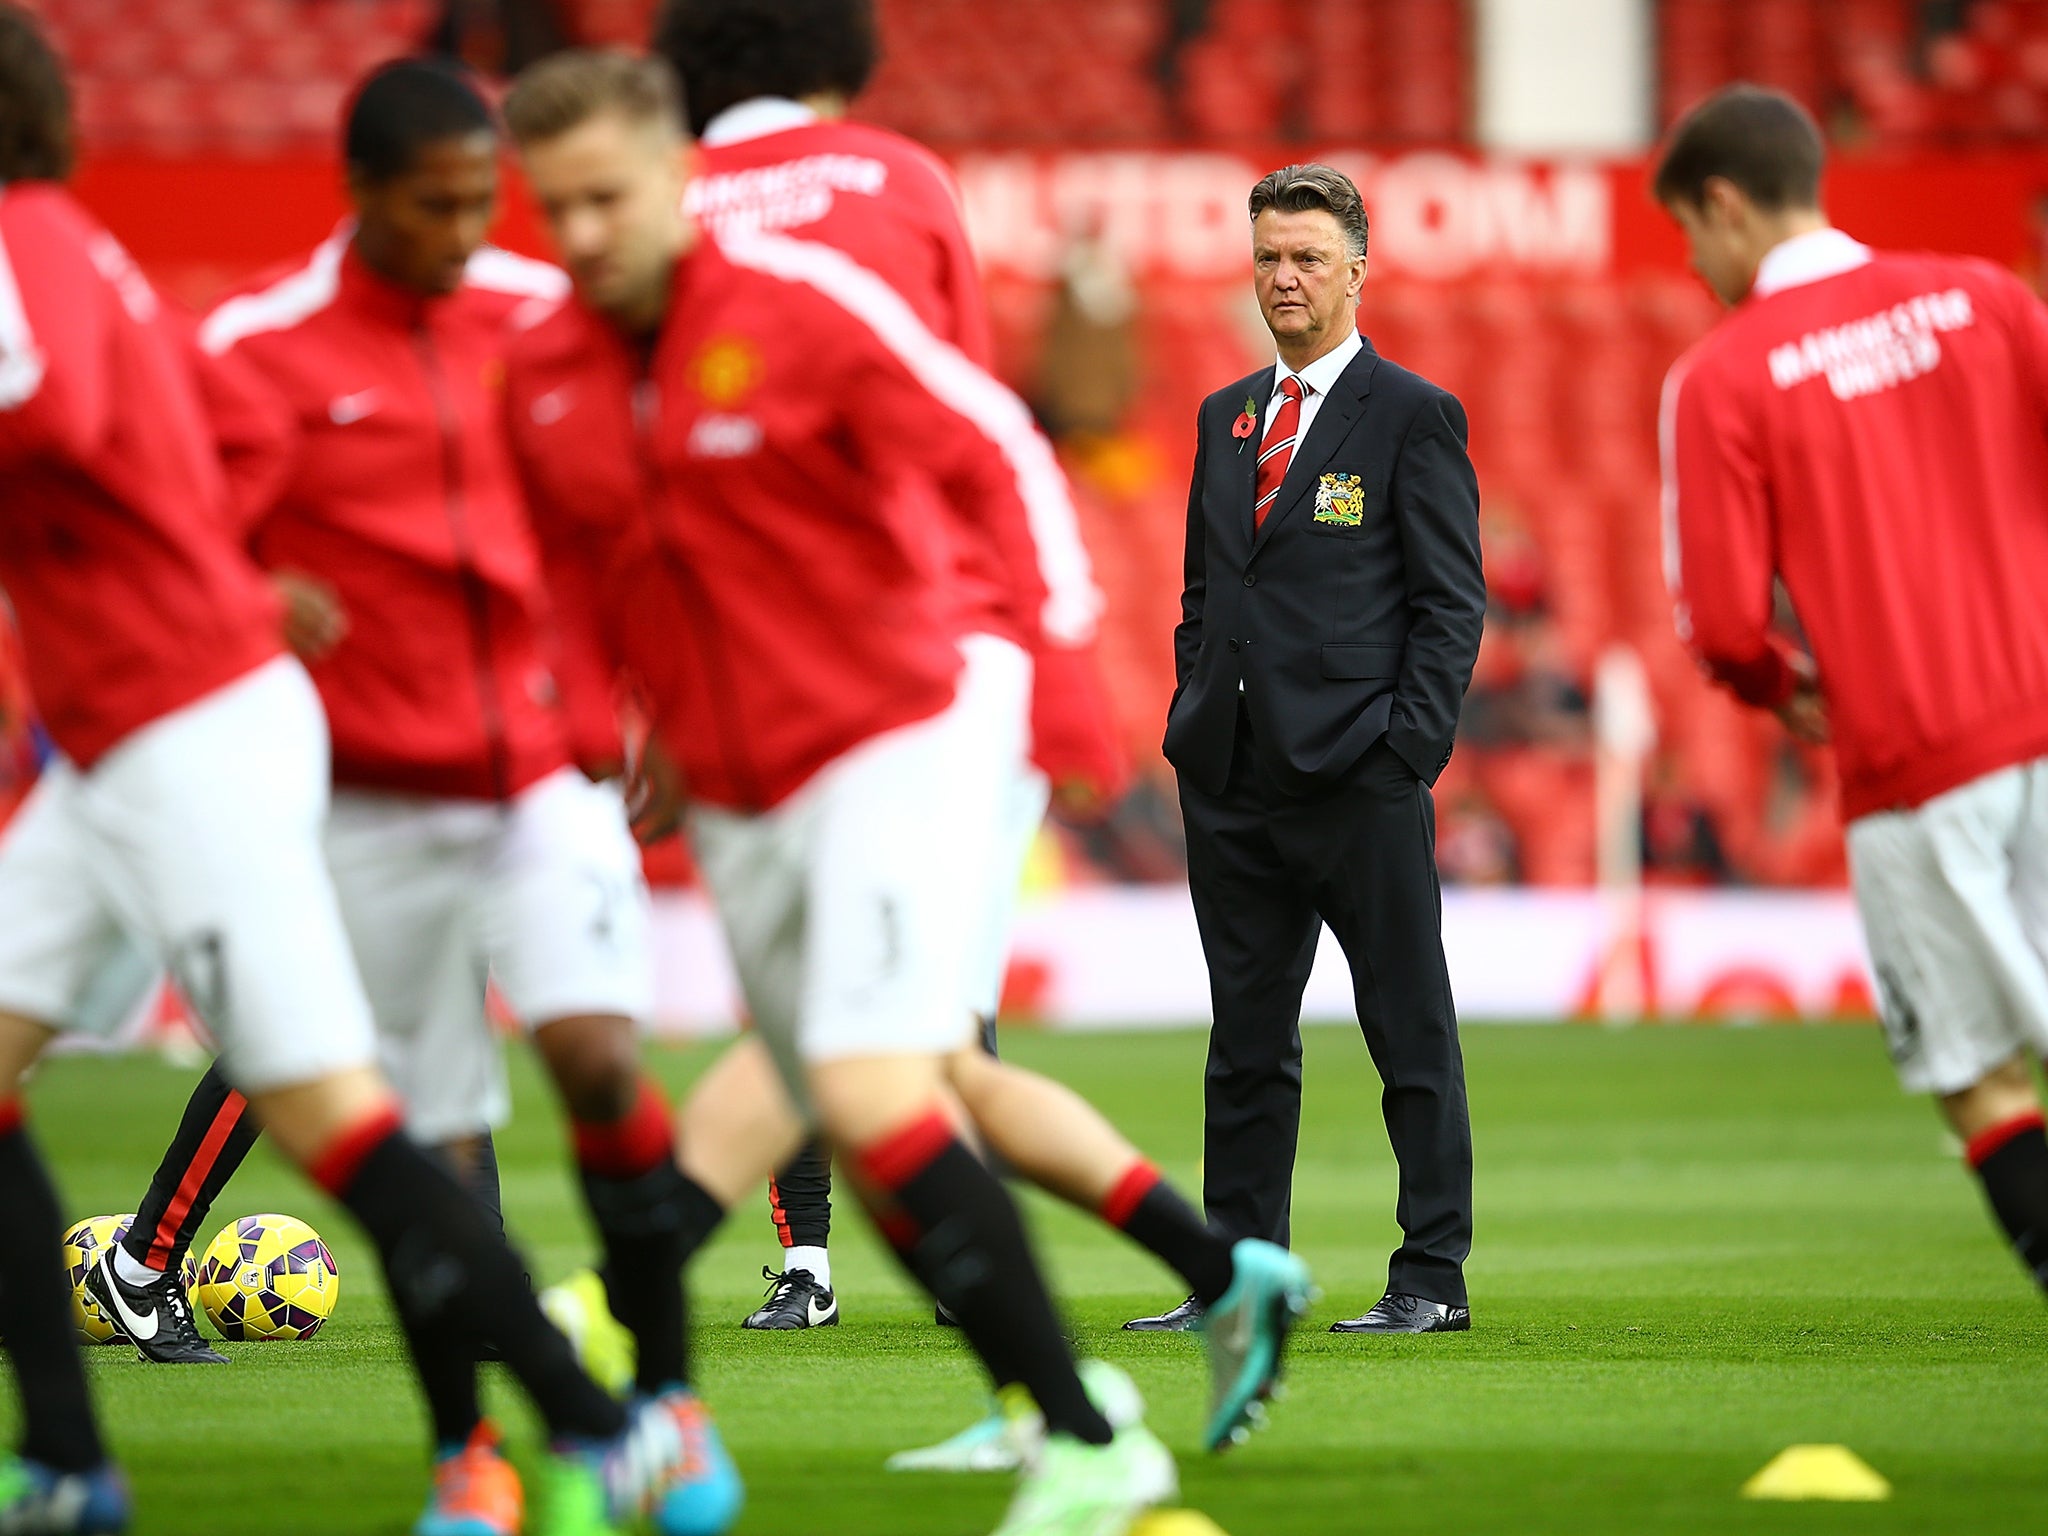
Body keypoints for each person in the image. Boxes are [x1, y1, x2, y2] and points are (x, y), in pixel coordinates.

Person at [499, 48, 1306, 1533]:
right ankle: (1187, 1293)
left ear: (680, 176)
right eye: (559, 210)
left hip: (895, 733)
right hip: (738, 785)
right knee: (875, 1089)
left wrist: (1061, 675)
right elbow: (571, 576)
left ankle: (1079, 1442)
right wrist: (612, 723)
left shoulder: (800, 311)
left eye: (611, 196)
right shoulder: (545, 374)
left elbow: (996, 445)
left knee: (870, 1083)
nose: (589, 233)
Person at [0, 13, 717, 1535]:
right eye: (440, 200)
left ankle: (613, 1420)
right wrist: (240, 575)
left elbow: (54, 415)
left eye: (484, 200)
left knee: (383, 1100)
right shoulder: (203, 317)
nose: (472, 233)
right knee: (360, 1106)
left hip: (233, 732)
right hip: (198, 733)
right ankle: (74, 1457)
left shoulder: (26, 244)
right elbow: (170, 471)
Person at [653, 0, 1129, 1335]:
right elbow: (966, 420)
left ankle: (716, 1280)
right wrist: (1055, 661)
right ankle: (1151, 1306)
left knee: (831, 1014)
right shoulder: (902, 180)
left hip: (750, 666)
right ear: (839, 62)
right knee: (917, 1023)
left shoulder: (661, 207)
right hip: (936, 656)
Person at [1656, 85, 2048, 1297]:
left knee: (1975, 1070)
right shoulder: (1988, 298)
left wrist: (1780, 683)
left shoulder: (1723, 377)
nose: (1694, 264)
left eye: (1686, 234)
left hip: (1914, 759)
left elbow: (1718, 622)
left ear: (1721, 205)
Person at [1138, 162, 1485, 1337]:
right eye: (1268, 256)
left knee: (1408, 1032)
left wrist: (1403, 754)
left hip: (1358, 780)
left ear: (1355, 270)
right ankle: (1239, 1279)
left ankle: (1429, 1277)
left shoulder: (1412, 415)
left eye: (1306, 258)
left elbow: (1449, 605)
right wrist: (1196, 706)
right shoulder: (1224, 414)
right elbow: (1202, 588)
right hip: (1230, 780)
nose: (1282, 277)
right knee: (1243, 1045)